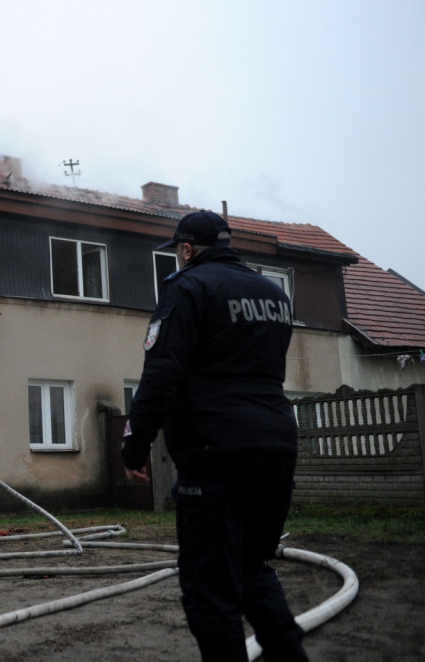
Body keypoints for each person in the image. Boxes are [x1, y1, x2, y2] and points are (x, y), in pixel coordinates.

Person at [121, 210, 309, 662]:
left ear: (187, 250)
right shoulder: (273, 293)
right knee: (251, 566)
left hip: (215, 451)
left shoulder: (187, 287)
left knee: (208, 585)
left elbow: (163, 372)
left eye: (179, 253)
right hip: (277, 445)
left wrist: (135, 444)